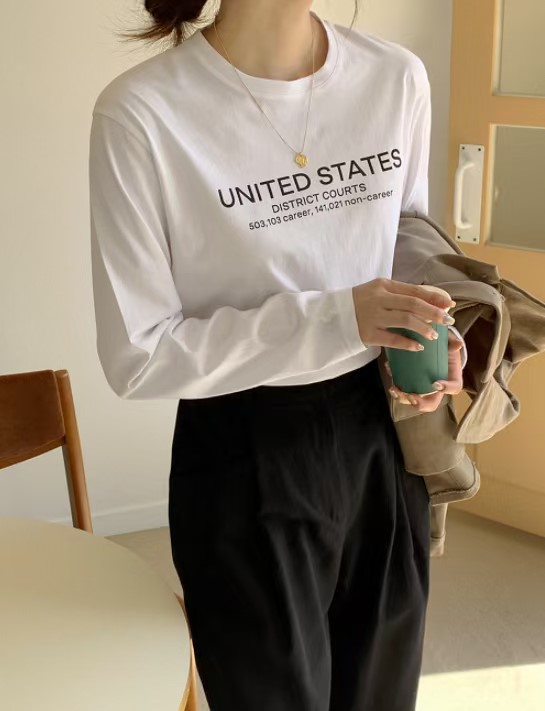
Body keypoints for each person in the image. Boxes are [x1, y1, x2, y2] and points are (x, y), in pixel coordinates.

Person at [88, 1, 464, 709]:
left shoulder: (394, 77)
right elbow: (138, 354)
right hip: (241, 447)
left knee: (381, 694)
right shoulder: (142, 113)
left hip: (380, 434)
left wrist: (430, 328)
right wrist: (336, 317)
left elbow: (406, 238)